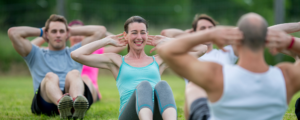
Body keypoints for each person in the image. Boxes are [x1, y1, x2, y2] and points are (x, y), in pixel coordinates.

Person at [158, 12, 300, 120]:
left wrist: (210, 34)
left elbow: (166, 50)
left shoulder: (216, 74)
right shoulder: (286, 77)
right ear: (266, 42)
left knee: (193, 87)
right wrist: (290, 42)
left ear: (236, 42)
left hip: (212, 94)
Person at [71, 16, 206, 120]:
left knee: (163, 85)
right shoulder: (116, 60)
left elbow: (202, 49)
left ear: (147, 35)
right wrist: (106, 40)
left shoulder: (159, 60)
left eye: (143, 32)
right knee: (144, 85)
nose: (139, 37)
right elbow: (76, 54)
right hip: (129, 115)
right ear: (126, 35)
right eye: (134, 33)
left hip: (156, 114)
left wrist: (168, 41)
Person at [7, 14, 107, 119]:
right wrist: (41, 32)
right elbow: (13, 33)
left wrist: (70, 31)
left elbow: (101, 31)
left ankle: (76, 104)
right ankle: (62, 104)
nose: (58, 35)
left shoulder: (76, 52)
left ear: (67, 34)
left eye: (62, 31)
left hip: (72, 92)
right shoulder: (35, 54)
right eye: (54, 31)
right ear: (47, 34)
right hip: (46, 101)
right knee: (50, 76)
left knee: (74, 73)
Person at [162, 14, 238, 119]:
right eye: (203, 28)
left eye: (211, 29)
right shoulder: (188, 55)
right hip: (200, 103)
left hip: (226, 103)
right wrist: (189, 35)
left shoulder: (226, 52)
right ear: (194, 33)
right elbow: (167, 33)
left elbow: (247, 33)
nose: (207, 31)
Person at [31, 20, 126, 102]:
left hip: (90, 88)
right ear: (69, 36)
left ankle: (80, 101)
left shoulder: (95, 51)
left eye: (81, 34)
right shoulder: (63, 52)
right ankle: (73, 101)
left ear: (85, 35)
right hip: (71, 88)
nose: (77, 37)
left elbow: (122, 44)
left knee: (84, 78)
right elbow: (32, 47)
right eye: (75, 34)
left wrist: (104, 34)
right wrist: (47, 31)